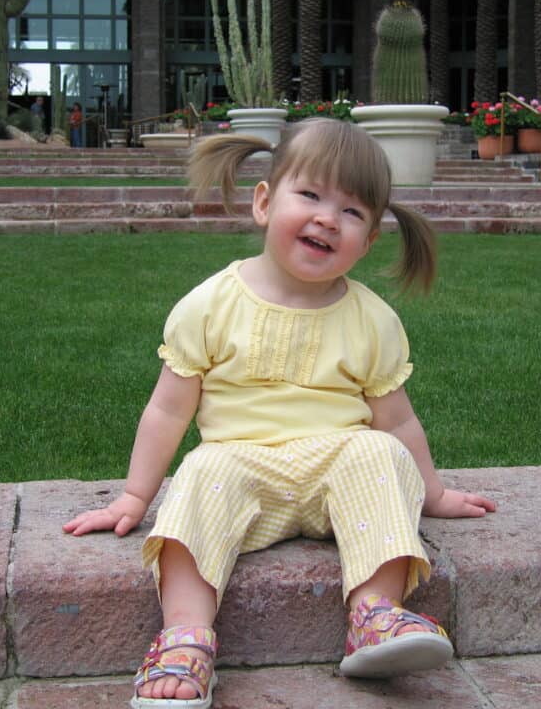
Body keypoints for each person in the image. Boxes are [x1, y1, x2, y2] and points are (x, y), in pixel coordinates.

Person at [63, 118, 496, 708]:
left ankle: (375, 614)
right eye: (311, 196)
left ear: (368, 241)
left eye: (351, 212)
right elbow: (167, 409)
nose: (326, 218)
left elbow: (396, 420)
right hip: (240, 465)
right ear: (265, 202)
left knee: (380, 451)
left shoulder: (372, 320)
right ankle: (185, 637)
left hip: (335, 468)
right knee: (198, 475)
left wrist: (435, 494)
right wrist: (136, 498)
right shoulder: (211, 304)